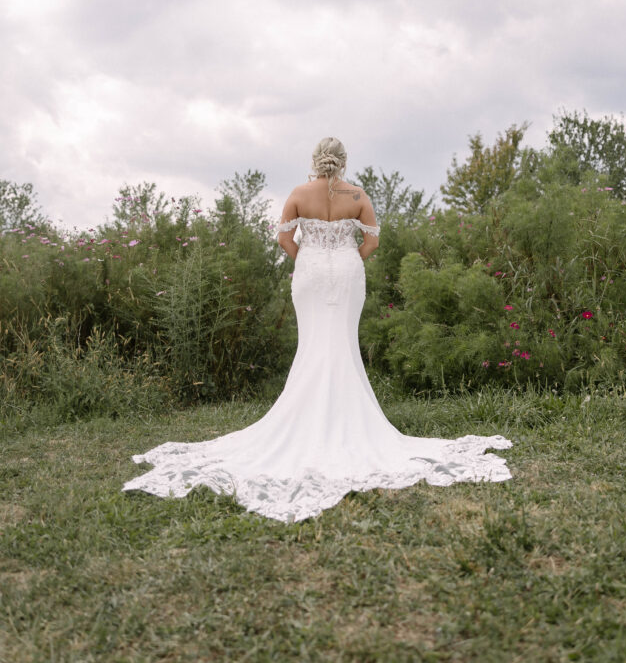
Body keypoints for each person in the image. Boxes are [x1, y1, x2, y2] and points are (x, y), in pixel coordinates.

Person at [122, 137, 513, 521]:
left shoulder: (298, 193)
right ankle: (343, 418)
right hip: (346, 273)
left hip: (309, 275)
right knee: (341, 343)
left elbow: (283, 239)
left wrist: (308, 257)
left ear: (316, 159)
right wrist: (346, 258)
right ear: (343, 161)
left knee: (313, 344)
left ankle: (310, 416)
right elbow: (372, 243)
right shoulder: (358, 196)